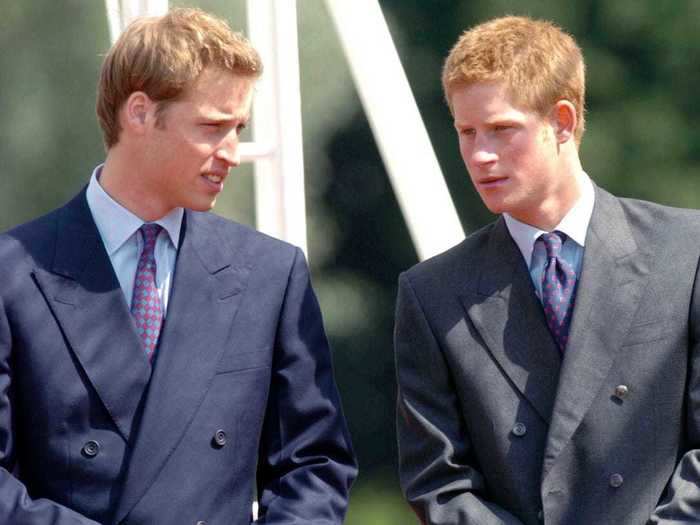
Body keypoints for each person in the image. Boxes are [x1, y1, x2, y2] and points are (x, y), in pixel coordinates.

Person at [0, 8, 356, 524]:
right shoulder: (12, 274)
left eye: (238, 128)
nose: (232, 152)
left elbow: (314, 465)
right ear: (139, 113)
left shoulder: (270, 275)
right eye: (212, 127)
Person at [394, 15, 700, 524]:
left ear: (562, 120)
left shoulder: (686, 251)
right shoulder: (431, 293)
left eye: (501, 130)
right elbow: (439, 482)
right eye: (466, 132)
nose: (480, 155)